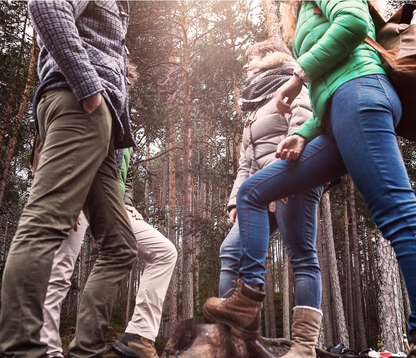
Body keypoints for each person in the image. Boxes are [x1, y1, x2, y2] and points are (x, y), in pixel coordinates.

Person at [207, 2, 416, 358]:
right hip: (336, 114)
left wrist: (298, 75)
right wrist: (304, 132)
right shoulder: (301, 12)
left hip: (361, 92)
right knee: (252, 192)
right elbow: (326, 86)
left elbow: (352, 24)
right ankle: (246, 302)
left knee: (398, 215)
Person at [0, 1, 139, 357]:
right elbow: (46, 6)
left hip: (105, 126)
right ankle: (22, 349)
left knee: (120, 246)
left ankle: (86, 352)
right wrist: (87, 85)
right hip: (79, 104)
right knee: (45, 222)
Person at [203, 40, 324, 341]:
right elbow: (246, 162)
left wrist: (284, 180)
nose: (246, 65)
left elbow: (304, 127)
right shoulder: (254, 106)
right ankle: (231, 338)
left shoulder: (291, 85)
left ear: (272, 57)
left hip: (292, 180)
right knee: (230, 251)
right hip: (259, 191)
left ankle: (303, 344)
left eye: (252, 58)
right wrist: (235, 202)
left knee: (301, 257)